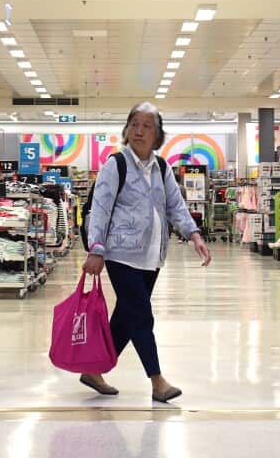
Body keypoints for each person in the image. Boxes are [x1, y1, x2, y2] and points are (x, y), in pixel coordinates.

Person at [81, 102, 212, 403]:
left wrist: (193, 234)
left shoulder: (162, 167)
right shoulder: (116, 165)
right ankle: (157, 381)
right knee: (142, 315)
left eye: (147, 126)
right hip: (120, 254)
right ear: (127, 129)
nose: (139, 131)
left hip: (152, 257)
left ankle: (93, 369)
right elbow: (100, 209)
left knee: (127, 317)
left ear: (157, 135)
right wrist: (96, 248)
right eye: (134, 124)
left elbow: (175, 205)